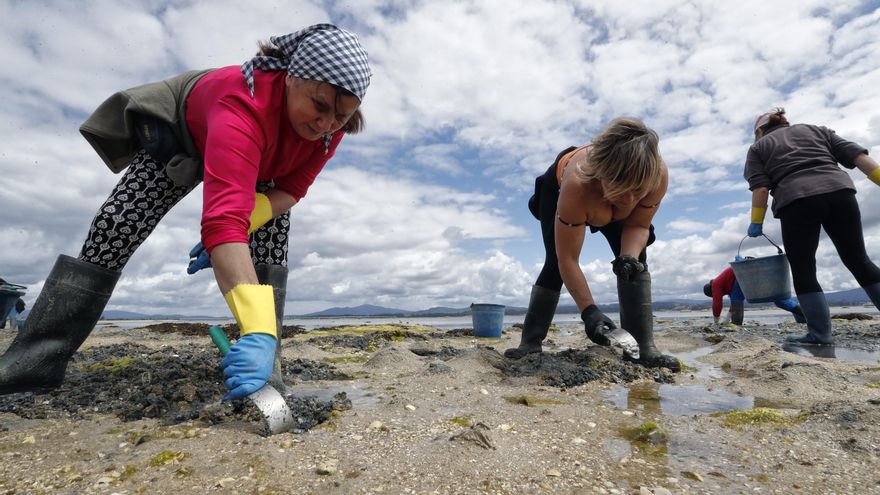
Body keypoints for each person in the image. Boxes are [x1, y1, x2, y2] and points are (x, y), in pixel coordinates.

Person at [0, 24, 372, 399]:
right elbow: (222, 221)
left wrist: (247, 222)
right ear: (293, 77)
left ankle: (263, 371)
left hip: (263, 171)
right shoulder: (241, 103)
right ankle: (34, 364)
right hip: (182, 136)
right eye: (320, 105)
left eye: (340, 116)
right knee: (116, 226)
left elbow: (292, 189)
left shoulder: (331, 129)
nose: (326, 124)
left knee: (271, 244)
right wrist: (229, 236)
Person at [505, 117, 680, 371]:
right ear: (602, 176)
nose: (629, 200)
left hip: (603, 196)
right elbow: (568, 259)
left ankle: (642, 348)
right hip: (559, 190)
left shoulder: (657, 176)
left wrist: (628, 257)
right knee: (554, 263)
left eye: (638, 191)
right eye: (622, 190)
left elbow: (639, 226)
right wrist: (590, 311)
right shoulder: (578, 185)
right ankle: (529, 342)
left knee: (636, 263)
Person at [745, 108, 880, 345]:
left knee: (804, 269)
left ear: (759, 130)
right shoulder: (818, 131)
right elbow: (859, 157)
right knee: (859, 260)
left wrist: (756, 222)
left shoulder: (759, 147)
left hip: (796, 201)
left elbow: (761, 189)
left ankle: (820, 335)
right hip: (840, 193)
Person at [703, 261, 806, 325]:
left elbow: (717, 304)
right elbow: (733, 305)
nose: (716, 295)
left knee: (736, 299)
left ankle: (736, 324)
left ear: (711, 291)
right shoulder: (726, 285)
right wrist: (727, 319)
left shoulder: (716, 284)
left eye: (713, 295)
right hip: (756, 271)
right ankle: (808, 317)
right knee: (780, 301)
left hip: (742, 272)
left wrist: (716, 322)